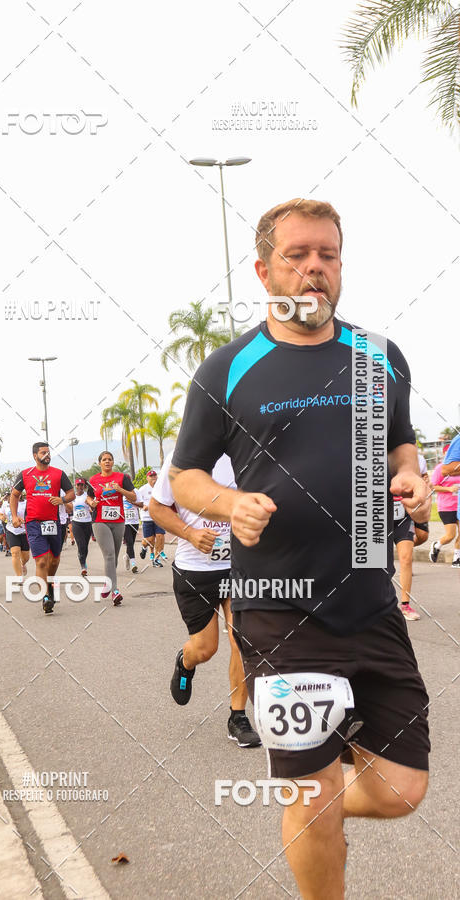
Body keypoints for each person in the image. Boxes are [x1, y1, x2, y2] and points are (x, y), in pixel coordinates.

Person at [169, 198, 430, 899]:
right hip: (281, 612)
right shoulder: (227, 369)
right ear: (264, 269)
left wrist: (411, 474)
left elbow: (401, 442)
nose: (315, 267)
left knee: (403, 788)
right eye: (297, 255)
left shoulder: (380, 355)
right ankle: (307, 806)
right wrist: (229, 505)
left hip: (372, 603)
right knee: (311, 799)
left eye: (328, 254)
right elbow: (185, 477)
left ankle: (307, 804)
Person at [150, 450, 261, 748]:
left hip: (238, 567)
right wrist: (189, 534)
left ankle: (237, 716)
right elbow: (157, 508)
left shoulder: (245, 449)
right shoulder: (182, 455)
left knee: (242, 639)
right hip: (194, 571)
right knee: (205, 648)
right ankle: (185, 662)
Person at [11, 443, 74, 614]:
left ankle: (49, 584)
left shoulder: (58, 474)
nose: (47, 455)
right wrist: (15, 516)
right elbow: (14, 495)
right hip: (33, 523)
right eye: (43, 452)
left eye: (48, 452)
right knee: (41, 561)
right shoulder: (25, 474)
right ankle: (46, 596)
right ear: (34, 455)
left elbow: (71, 493)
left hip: (54, 523)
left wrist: (62, 500)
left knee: (54, 561)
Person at [88, 452, 137, 606]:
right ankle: (114, 590)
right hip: (99, 520)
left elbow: (133, 497)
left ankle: (107, 582)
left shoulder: (122, 478)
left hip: (118, 520)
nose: (107, 462)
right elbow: (88, 497)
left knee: (114, 556)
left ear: (113, 462)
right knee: (109, 554)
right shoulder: (93, 480)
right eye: (104, 460)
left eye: (110, 459)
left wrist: (120, 490)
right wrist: (91, 503)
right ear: (100, 463)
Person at [428, 460, 460, 566]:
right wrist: (449, 489)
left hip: (459, 504)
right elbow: (433, 487)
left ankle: (457, 559)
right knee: (450, 535)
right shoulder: (441, 468)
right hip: (447, 506)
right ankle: (437, 545)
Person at [392, 496, 419, 620]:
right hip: (377, 514)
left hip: (404, 517)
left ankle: (405, 605)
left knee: (406, 558)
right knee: (378, 562)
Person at [137, 470, 167, 566]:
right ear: (147, 478)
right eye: (151, 476)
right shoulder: (142, 489)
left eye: (155, 476)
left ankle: (156, 559)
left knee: (160, 537)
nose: (153, 477)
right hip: (147, 518)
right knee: (149, 539)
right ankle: (144, 547)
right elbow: (137, 502)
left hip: (159, 517)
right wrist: (143, 507)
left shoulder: (161, 488)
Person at [3, 490, 30, 580]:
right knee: (15, 553)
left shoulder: (26, 503)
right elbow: (0, 514)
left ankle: (22, 564)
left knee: (26, 557)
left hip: (24, 531)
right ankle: (19, 577)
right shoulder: (6, 504)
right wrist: (1, 516)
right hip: (11, 531)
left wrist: (24, 520)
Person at [69, 479, 94, 576]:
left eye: (82, 485)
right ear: (75, 485)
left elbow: (92, 507)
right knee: (81, 545)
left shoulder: (87, 496)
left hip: (87, 522)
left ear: (84, 486)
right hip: (76, 523)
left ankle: (83, 560)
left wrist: (91, 504)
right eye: (78, 485)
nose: (80, 487)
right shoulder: (72, 497)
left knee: (85, 546)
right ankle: (83, 566)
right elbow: (69, 509)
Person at [412, 452, 430, 547]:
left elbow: (425, 476)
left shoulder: (420, 458)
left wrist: (426, 479)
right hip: (398, 500)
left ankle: (401, 546)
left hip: (417, 500)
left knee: (423, 536)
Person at [123, 494, 142, 574]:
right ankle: (133, 564)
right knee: (129, 543)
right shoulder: (120, 494)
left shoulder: (136, 492)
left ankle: (127, 556)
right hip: (125, 523)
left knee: (131, 543)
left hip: (135, 522)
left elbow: (141, 505)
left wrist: (131, 501)